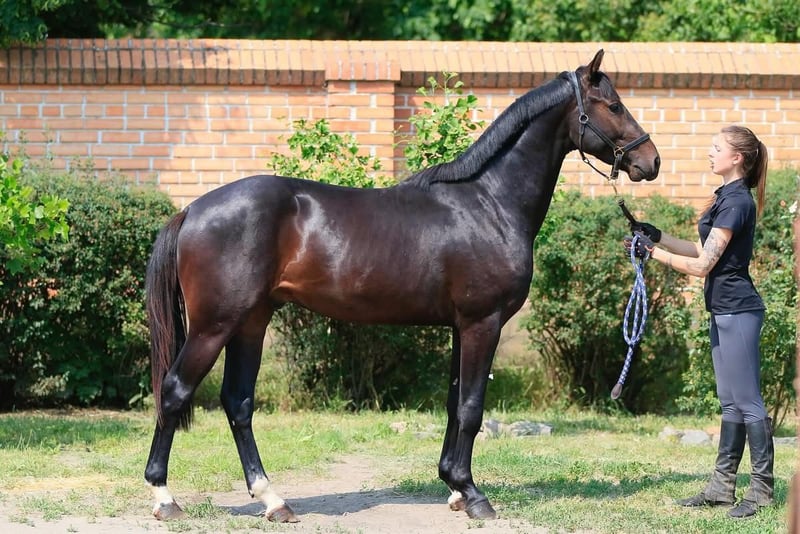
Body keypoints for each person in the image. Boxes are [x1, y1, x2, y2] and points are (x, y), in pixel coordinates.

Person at [625, 125, 773, 519]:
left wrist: (652, 254)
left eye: (716, 147)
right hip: (723, 310)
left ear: (736, 157)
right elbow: (702, 249)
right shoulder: (725, 199)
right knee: (730, 402)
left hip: (739, 311)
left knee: (748, 403)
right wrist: (657, 236)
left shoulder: (737, 202)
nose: (710, 152)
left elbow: (703, 265)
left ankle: (761, 491)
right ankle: (721, 488)